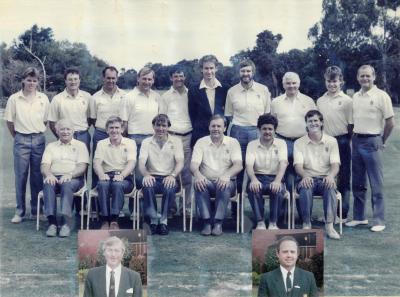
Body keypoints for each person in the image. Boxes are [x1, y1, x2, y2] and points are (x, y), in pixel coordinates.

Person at [345, 65, 395, 232]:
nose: (365, 79)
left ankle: (379, 220)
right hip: (357, 141)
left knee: (376, 183)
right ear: (358, 78)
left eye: (368, 76)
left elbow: (390, 122)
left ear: (374, 77)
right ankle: (359, 217)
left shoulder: (382, 96)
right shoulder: (355, 97)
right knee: (358, 183)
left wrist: (382, 139)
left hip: (373, 141)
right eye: (362, 76)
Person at [4, 67, 50, 223]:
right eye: (29, 80)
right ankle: (20, 211)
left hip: (38, 139)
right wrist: (18, 137)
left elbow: (45, 120)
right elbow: (10, 122)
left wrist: (34, 132)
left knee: (38, 177)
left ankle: (37, 211)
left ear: (38, 82)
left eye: (34, 80)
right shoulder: (14, 99)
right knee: (21, 177)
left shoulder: (43, 98)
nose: (31, 83)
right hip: (21, 139)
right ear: (23, 80)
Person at [190, 114, 242, 236]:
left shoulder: (233, 142)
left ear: (225, 128)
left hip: (227, 182)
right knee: (199, 183)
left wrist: (226, 175)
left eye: (219, 126)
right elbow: (193, 165)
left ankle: (218, 223)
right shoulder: (201, 142)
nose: (216, 129)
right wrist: (197, 175)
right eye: (213, 126)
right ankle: (207, 222)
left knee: (223, 185)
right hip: (207, 181)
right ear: (209, 127)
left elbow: (238, 165)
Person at [225, 59, 271, 194]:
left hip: (257, 132)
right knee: (237, 167)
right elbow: (229, 115)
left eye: (248, 71)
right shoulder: (232, 91)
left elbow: (267, 113)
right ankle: (236, 208)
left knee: (257, 168)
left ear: (253, 72)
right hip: (238, 132)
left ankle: (256, 206)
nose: (246, 74)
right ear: (239, 72)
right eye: (243, 71)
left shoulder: (263, 90)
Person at [293, 110, 341, 239]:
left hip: (325, 178)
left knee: (330, 186)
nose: (313, 123)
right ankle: (307, 224)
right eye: (310, 121)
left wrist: (331, 176)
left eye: (316, 121)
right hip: (307, 177)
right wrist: (305, 176)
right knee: (306, 186)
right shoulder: (299, 142)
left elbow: (335, 164)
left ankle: (329, 226)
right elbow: (298, 166)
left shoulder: (332, 141)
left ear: (321, 123)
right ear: (306, 124)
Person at [40, 119, 89, 237]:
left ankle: (65, 223)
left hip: (74, 178)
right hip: (55, 177)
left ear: (73, 131)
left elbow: (82, 167)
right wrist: (49, 175)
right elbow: (44, 165)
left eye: (68, 129)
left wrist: (70, 175)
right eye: (62, 129)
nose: (65, 132)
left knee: (67, 184)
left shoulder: (80, 145)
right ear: (57, 131)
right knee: (47, 183)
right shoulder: (51, 146)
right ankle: (52, 223)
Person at [317, 66, 353, 223]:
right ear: (325, 81)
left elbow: (351, 125)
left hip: (342, 140)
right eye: (329, 81)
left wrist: (347, 140)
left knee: (343, 178)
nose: (332, 84)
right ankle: (329, 215)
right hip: (325, 142)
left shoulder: (347, 101)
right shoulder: (320, 100)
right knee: (328, 177)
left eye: (335, 81)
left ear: (341, 82)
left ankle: (342, 215)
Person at [139, 114, 184, 235]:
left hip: (169, 176)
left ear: (168, 127)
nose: (160, 128)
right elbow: (141, 163)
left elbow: (180, 162)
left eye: (164, 125)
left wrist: (173, 175)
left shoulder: (176, 141)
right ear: (153, 126)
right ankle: (153, 221)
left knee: (169, 188)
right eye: (158, 125)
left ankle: (164, 221)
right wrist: (146, 175)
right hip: (152, 176)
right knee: (147, 187)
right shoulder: (146, 142)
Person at [159, 66, 192, 214]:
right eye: (175, 76)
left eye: (181, 76)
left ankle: (186, 207)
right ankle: (171, 207)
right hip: (171, 137)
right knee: (171, 172)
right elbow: (162, 118)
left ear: (184, 77)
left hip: (187, 136)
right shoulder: (165, 96)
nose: (178, 79)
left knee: (186, 174)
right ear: (171, 78)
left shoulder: (191, 94)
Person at [120, 67, 161, 189]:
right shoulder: (129, 97)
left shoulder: (157, 97)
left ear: (153, 81)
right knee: (138, 176)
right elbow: (124, 123)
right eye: (144, 78)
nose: (147, 82)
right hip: (135, 139)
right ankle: (136, 207)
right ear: (138, 78)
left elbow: (160, 121)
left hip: (154, 140)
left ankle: (148, 206)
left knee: (152, 175)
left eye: (150, 79)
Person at [93, 116, 136, 230]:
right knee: (102, 184)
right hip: (107, 175)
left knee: (117, 185)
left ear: (122, 129)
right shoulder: (101, 143)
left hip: (125, 177)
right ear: (107, 130)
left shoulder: (130, 143)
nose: (114, 130)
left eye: (117, 127)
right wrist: (101, 174)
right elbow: (97, 162)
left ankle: (114, 219)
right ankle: (104, 219)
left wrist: (121, 175)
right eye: (111, 128)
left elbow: (131, 163)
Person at [246, 114, 288, 230]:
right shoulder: (252, 144)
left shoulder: (281, 143)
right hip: (258, 176)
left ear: (274, 130)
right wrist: (253, 180)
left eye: (270, 129)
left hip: (275, 176)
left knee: (277, 190)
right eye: (264, 129)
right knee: (253, 189)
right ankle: (260, 222)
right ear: (259, 129)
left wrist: (277, 181)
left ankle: (273, 223)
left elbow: (283, 163)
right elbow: (249, 165)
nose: (267, 132)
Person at [90, 66, 126, 188]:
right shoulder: (95, 97)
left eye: (113, 78)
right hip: (100, 133)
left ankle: (120, 195)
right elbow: (93, 118)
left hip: (120, 133)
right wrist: (105, 129)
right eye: (108, 78)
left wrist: (120, 132)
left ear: (117, 78)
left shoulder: (125, 96)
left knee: (119, 164)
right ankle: (95, 203)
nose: (111, 81)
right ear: (103, 78)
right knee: (98, 165)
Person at [48, 67, 91, 152]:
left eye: (75, 79)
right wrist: (60, 136)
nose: (73, 82)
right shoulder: (57, 99)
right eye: (70, 79)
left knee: (83, 163)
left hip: (83, 136)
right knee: (66, 164)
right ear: (65, 81)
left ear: (79, 80)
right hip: (65, 136)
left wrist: (82, 130)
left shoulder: (87, 97)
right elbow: (52, 122)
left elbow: (90, 118)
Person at [188, 54, 228, 147]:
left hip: (220, 135)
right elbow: (192, 114)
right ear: (201, 69)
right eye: (206, 68)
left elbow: (228, 113)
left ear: (216, 68)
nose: (209, 71)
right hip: (200, 135)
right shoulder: (193, 89)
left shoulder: (225, 89)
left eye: (211, 68)